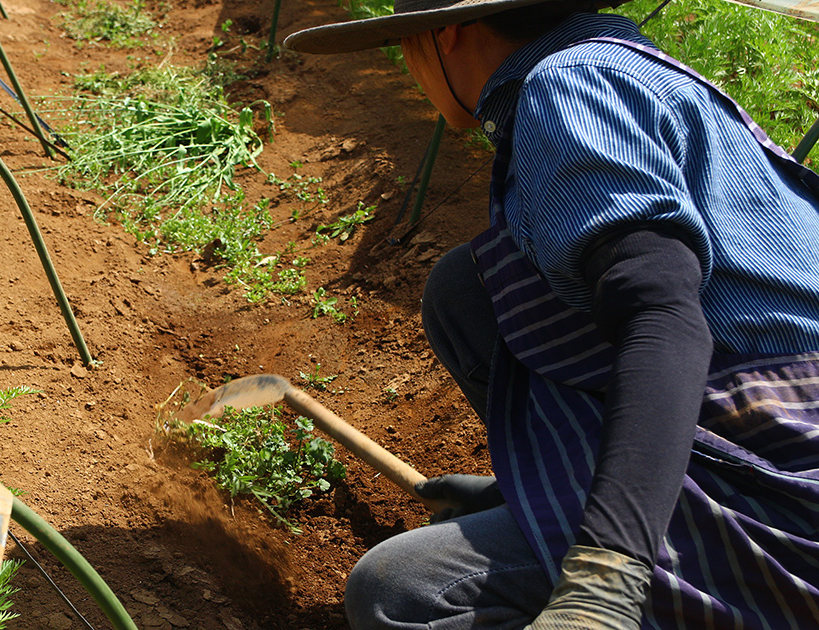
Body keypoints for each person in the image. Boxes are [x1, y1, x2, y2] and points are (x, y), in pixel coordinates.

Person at [284, 1, 819, 628]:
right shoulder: (631, 69)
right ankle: (558, 498)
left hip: (785, 483)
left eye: (408, 44)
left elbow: (661, 313)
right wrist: (525, 489)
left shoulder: (566, 89)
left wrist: (605, 577)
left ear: (447, 33)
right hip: (765, 414)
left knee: (400, 590)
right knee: (469, 290)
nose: (409, 67)